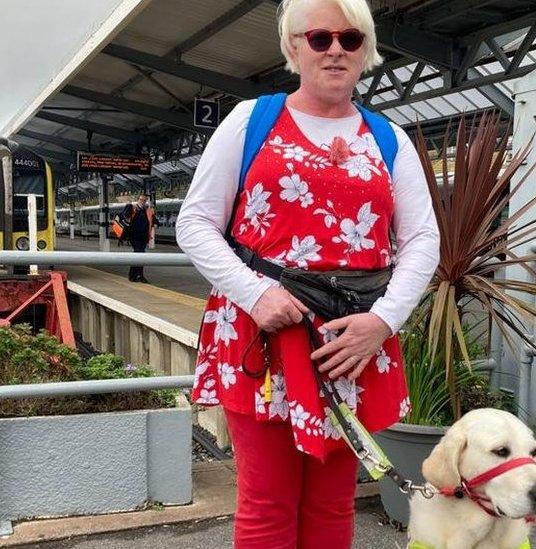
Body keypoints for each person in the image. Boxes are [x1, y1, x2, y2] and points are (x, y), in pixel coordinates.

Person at [176, 1, 440, 547]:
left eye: (350, 38)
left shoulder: (389, 140)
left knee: (331, 502)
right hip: (264, 337)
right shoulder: (251, 121)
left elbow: (422, 241)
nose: (335, 49)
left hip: (352, 341)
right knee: (267, 502)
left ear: (365, 50)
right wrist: (256, 293)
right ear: (293, 47)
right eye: (319, 38)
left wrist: (384, 322)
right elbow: (196, 223)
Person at [121, 193, 154, 283]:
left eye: (144, 200)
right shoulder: (132, 208)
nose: (142, 202)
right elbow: (125, 215)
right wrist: (128, 204)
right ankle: (139, 275)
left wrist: (156, 224)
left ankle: (132, 275)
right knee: (139, 254)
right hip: (134, 236)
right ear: (138, 200)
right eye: (141, 200)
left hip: (144, 237)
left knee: (138, 254)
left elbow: (154, 220)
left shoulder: (147, 210)